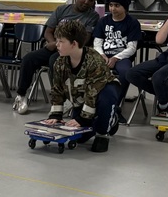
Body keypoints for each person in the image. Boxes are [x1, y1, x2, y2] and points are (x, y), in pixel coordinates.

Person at [12, 0, 101, 114]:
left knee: (55, 61)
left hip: (73, 52)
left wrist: (62, 45)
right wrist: (54, 43)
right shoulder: (62, 10)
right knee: (29, 58)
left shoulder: (92, 16)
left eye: (91, 0)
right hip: (55, 46)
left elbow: (84, 39)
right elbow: (48, 31)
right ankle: (21, 95)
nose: (86, 2)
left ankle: (61, 99)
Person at [41, 19, 121, 153]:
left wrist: (83, 119)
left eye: (61, 41)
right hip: (82, 97)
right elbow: (57, 89)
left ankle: (104, 131)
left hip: (102, 91)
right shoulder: (59, 63)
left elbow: (93, 92)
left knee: (106, 99)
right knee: (80, 137)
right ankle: (103, 120)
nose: (57, 45)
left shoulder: (94, 60)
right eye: (57, 40)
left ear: (74, 44)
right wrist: (55, 115)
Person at [92, 0, 141, 107]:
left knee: (125, 72)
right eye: (111, 5)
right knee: (90, 69)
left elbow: (132, 48)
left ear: (125, 7)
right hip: (103, 55)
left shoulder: (132, 23)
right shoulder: (103, 21)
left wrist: (116, 58)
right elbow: (97, 43)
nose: (113, 9)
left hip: (122, 57)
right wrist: (102, 55)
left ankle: (116, 106)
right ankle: (92, 104)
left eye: (117, 5)